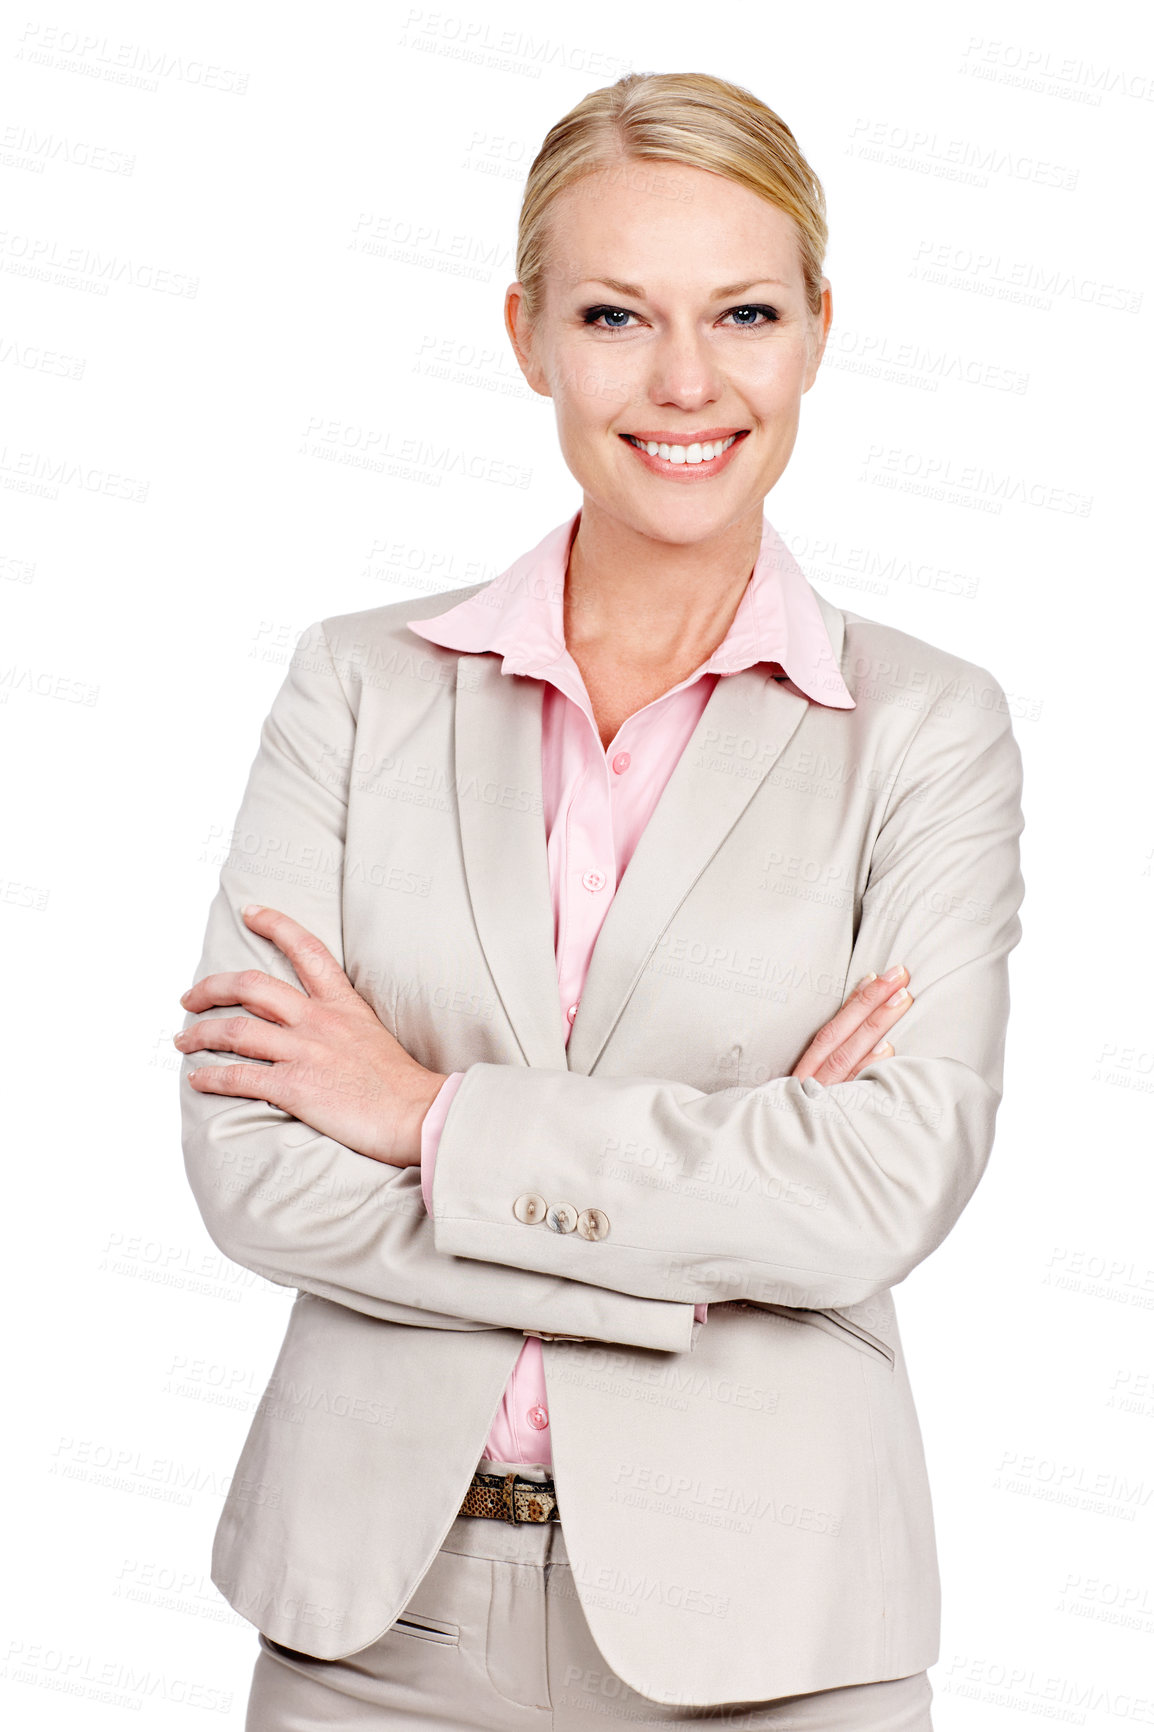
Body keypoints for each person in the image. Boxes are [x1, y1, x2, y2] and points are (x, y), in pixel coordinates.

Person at [176, 71, 1024, 1729]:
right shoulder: (355, 691)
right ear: (527, 334)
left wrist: (417, 1112)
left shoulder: (926, 730)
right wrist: (712, 1232)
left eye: (746, 312)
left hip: (775, 1636)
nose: (687, 380)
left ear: (820, 330)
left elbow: (875, 1193)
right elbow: (253, 1167)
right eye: (617, 314)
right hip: (374, 1632)